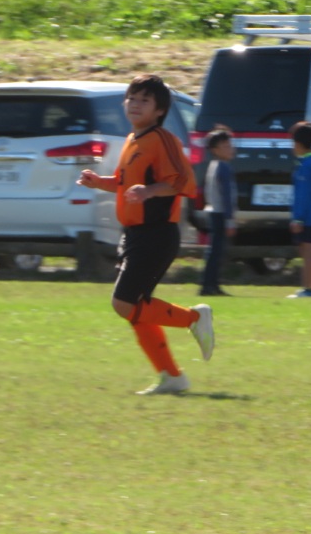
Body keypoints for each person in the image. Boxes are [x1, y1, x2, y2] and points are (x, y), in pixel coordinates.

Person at [77, 74, 214, 395]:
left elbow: (184, 183)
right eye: (131, 98)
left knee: (124, 304)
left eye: (144, 100)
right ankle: (172, 376)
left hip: (157, 234)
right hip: (133, 235)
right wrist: (100, 182)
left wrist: (150, 191)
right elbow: (124, 183)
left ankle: (194, 318)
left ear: (160, 110)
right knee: (136, 310)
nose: (135, 104)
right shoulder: (132, 139)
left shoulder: (163, 140)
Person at [288, 121, 311, 299]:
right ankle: (310, 287)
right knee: (310, 250)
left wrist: (298, 218)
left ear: (298, 143)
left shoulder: (306, 165)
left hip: (306, 216)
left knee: (308, 251)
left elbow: (303, 194)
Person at [198, 126, 236, 296]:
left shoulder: (213, 165)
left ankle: (211, 284)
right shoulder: (224, 167)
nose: (230, 149)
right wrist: (230, 220)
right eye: (225, 146)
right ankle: (209, 285)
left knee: (214, 250)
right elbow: (226, 196)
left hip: (213, 212)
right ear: (215, 150)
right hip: (220, 214)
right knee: (216, 251)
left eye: (230, 145)